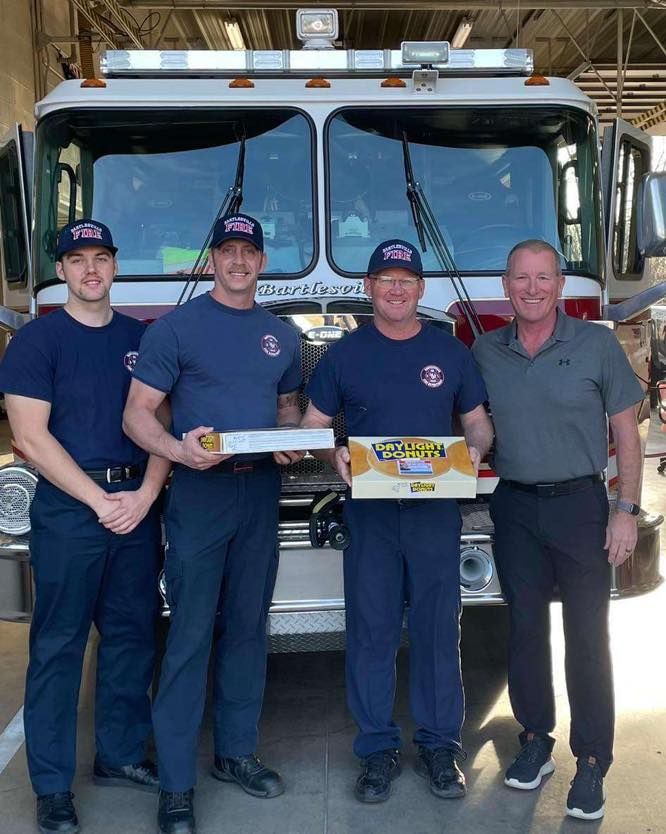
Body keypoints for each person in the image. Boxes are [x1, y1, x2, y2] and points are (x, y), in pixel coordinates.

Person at [122, 213, 303, 834]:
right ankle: (176, 784)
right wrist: (177, 451)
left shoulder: (282, 336)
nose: (238, 261)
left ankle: (235, 753)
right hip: (200, 495)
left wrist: (289, 439)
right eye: (228, 251)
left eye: (249, 251)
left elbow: (286, 408)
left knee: (248, 628)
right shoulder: (176, 329)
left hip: (260, 492)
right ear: (212, 260)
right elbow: (137, 415)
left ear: (262, 261)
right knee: (190, 635)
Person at [300, 239, 493, 804]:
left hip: (434, 512)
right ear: (369, 288)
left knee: (437, 630)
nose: (396, 289)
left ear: (420, 288)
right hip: (372, 513)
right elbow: (313, 425)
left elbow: (477, 421)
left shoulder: (450, 352)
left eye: (406, 280)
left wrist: (475, 450)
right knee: (372, 631)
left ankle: (439, 746)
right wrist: (333, 453)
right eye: (385, 279)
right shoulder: (344, 355)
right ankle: (377, 749)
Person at [0, 219, 170, 834]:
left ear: (115, 265)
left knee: (132, 635)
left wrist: (146, 494)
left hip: (136, 506)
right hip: (73, 511)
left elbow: (163, 426)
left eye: (100, 258)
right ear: (62, 271)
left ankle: (119, 755)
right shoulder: (37, 342)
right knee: (58, 646)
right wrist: (101, 500)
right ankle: (51, 786)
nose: (90, 270)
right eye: (78, 260)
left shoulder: (143, 339)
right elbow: (29, 437)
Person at [472, 239, 644, 821]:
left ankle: (592, 760)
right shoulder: (485, 350)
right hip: (515, 506)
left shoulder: (596, 343)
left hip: (581, 508)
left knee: (587, 637)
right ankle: (535, 740)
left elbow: (626, 433)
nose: (532, 288)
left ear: (559, 285)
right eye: (521, 278)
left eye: (543, 277)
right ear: (506, 285)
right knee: (524, 631)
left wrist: (626, 509)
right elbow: (472, 423)